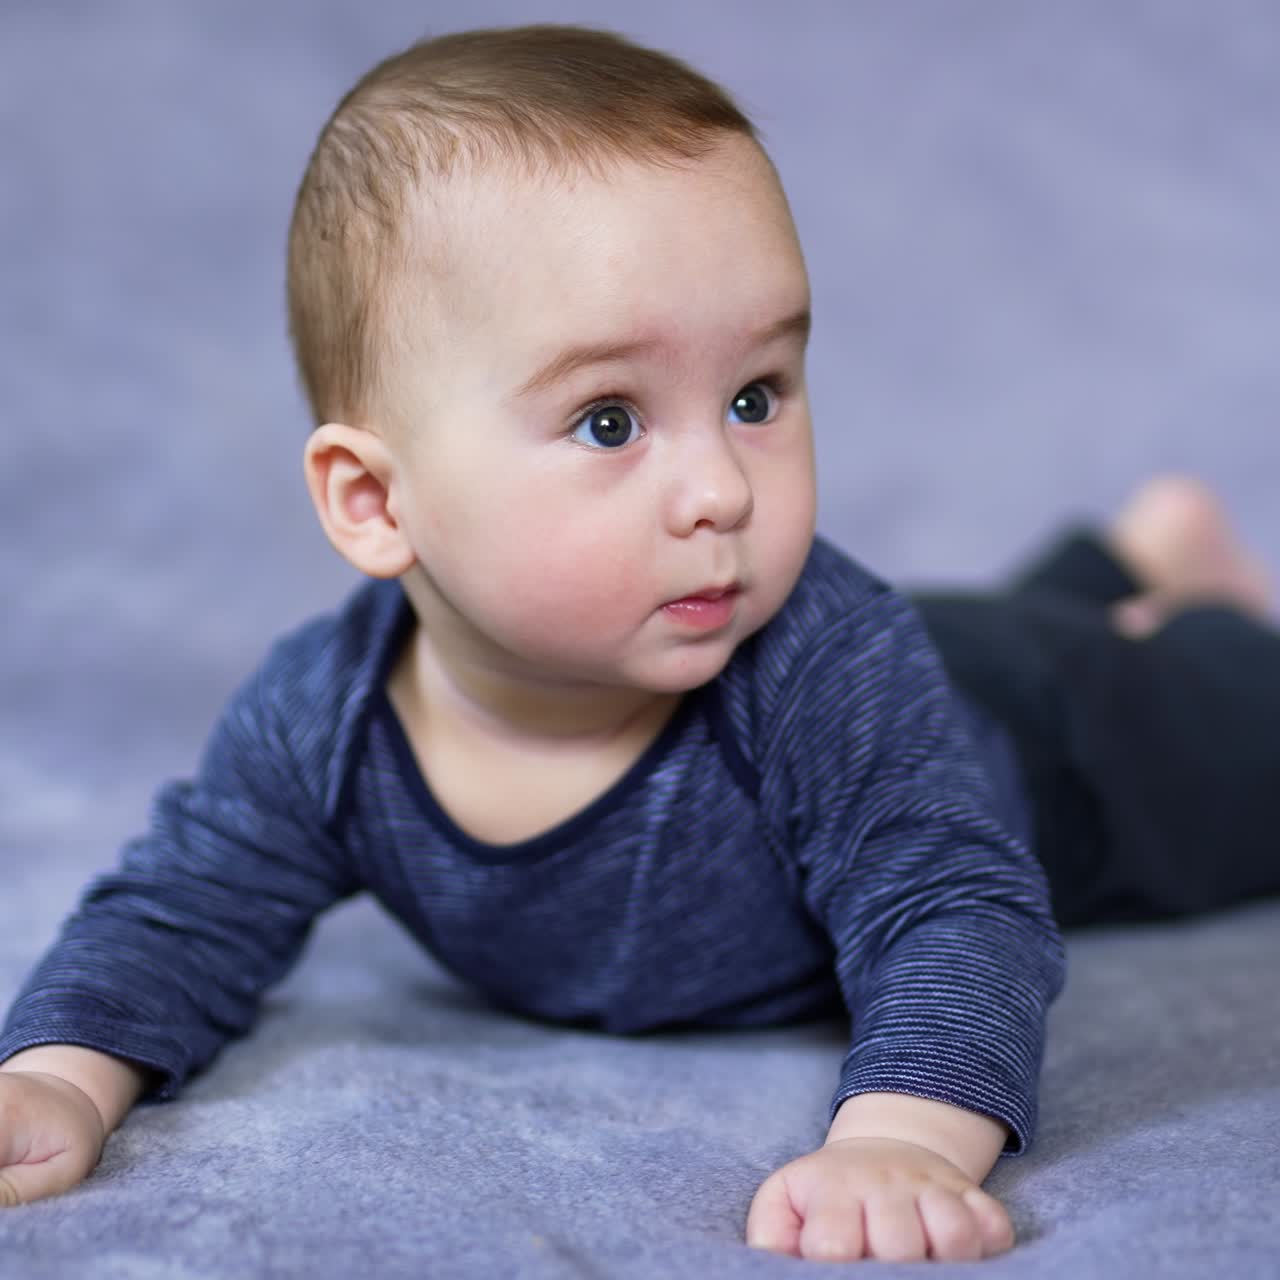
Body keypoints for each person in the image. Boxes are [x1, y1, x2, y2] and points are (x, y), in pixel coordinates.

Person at [0, 25, 1276, 1265]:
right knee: (967, 637)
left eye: (753, 395)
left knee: (1230, 735)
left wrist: (903, 1140)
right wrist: (56, 1077)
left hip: (1065, 745)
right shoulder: (323, 720)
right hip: (926, 660)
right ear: (377, 504)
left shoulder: (813, 660)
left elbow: (949, 905)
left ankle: (1183, 602)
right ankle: (1133, 556)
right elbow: (180, 911)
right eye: (609, 420)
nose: (719, 486)